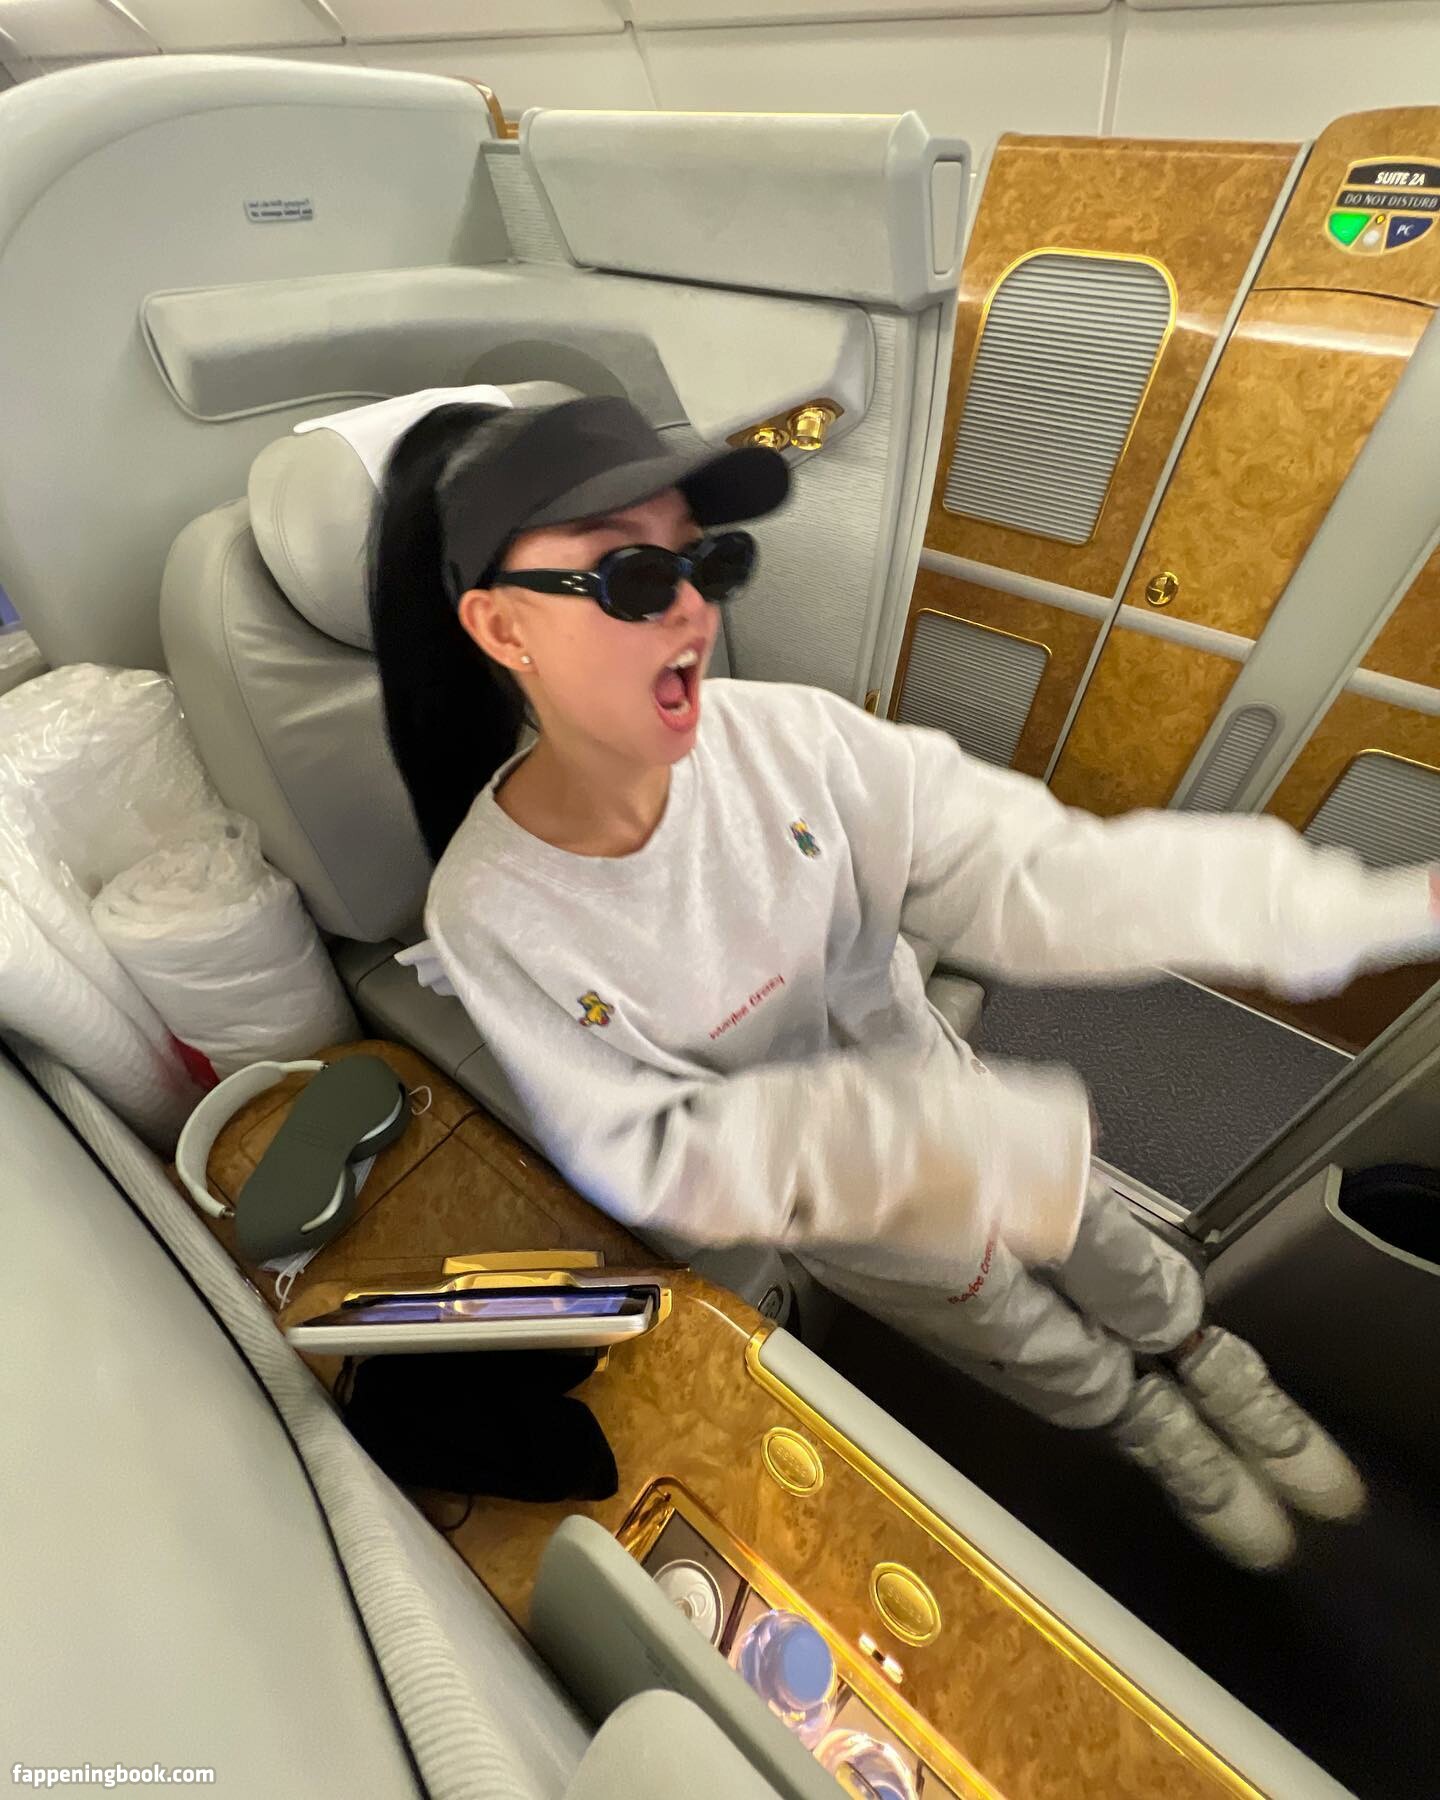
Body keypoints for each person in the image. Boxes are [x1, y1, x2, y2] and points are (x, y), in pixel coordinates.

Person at [368, 393, 1440, 1571]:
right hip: (850, 1207)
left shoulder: (794, 740)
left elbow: (1044, 870)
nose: (690, 607)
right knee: (1008, 1325)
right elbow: (651, 1153)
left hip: (949, 1082)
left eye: (704, 561)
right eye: (629, 574)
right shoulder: (491, 913)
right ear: (502, 626)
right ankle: (1148, 1426)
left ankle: (1207, 1357)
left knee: (1099, 1235)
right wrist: (928, 1144)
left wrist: (1379, 909)